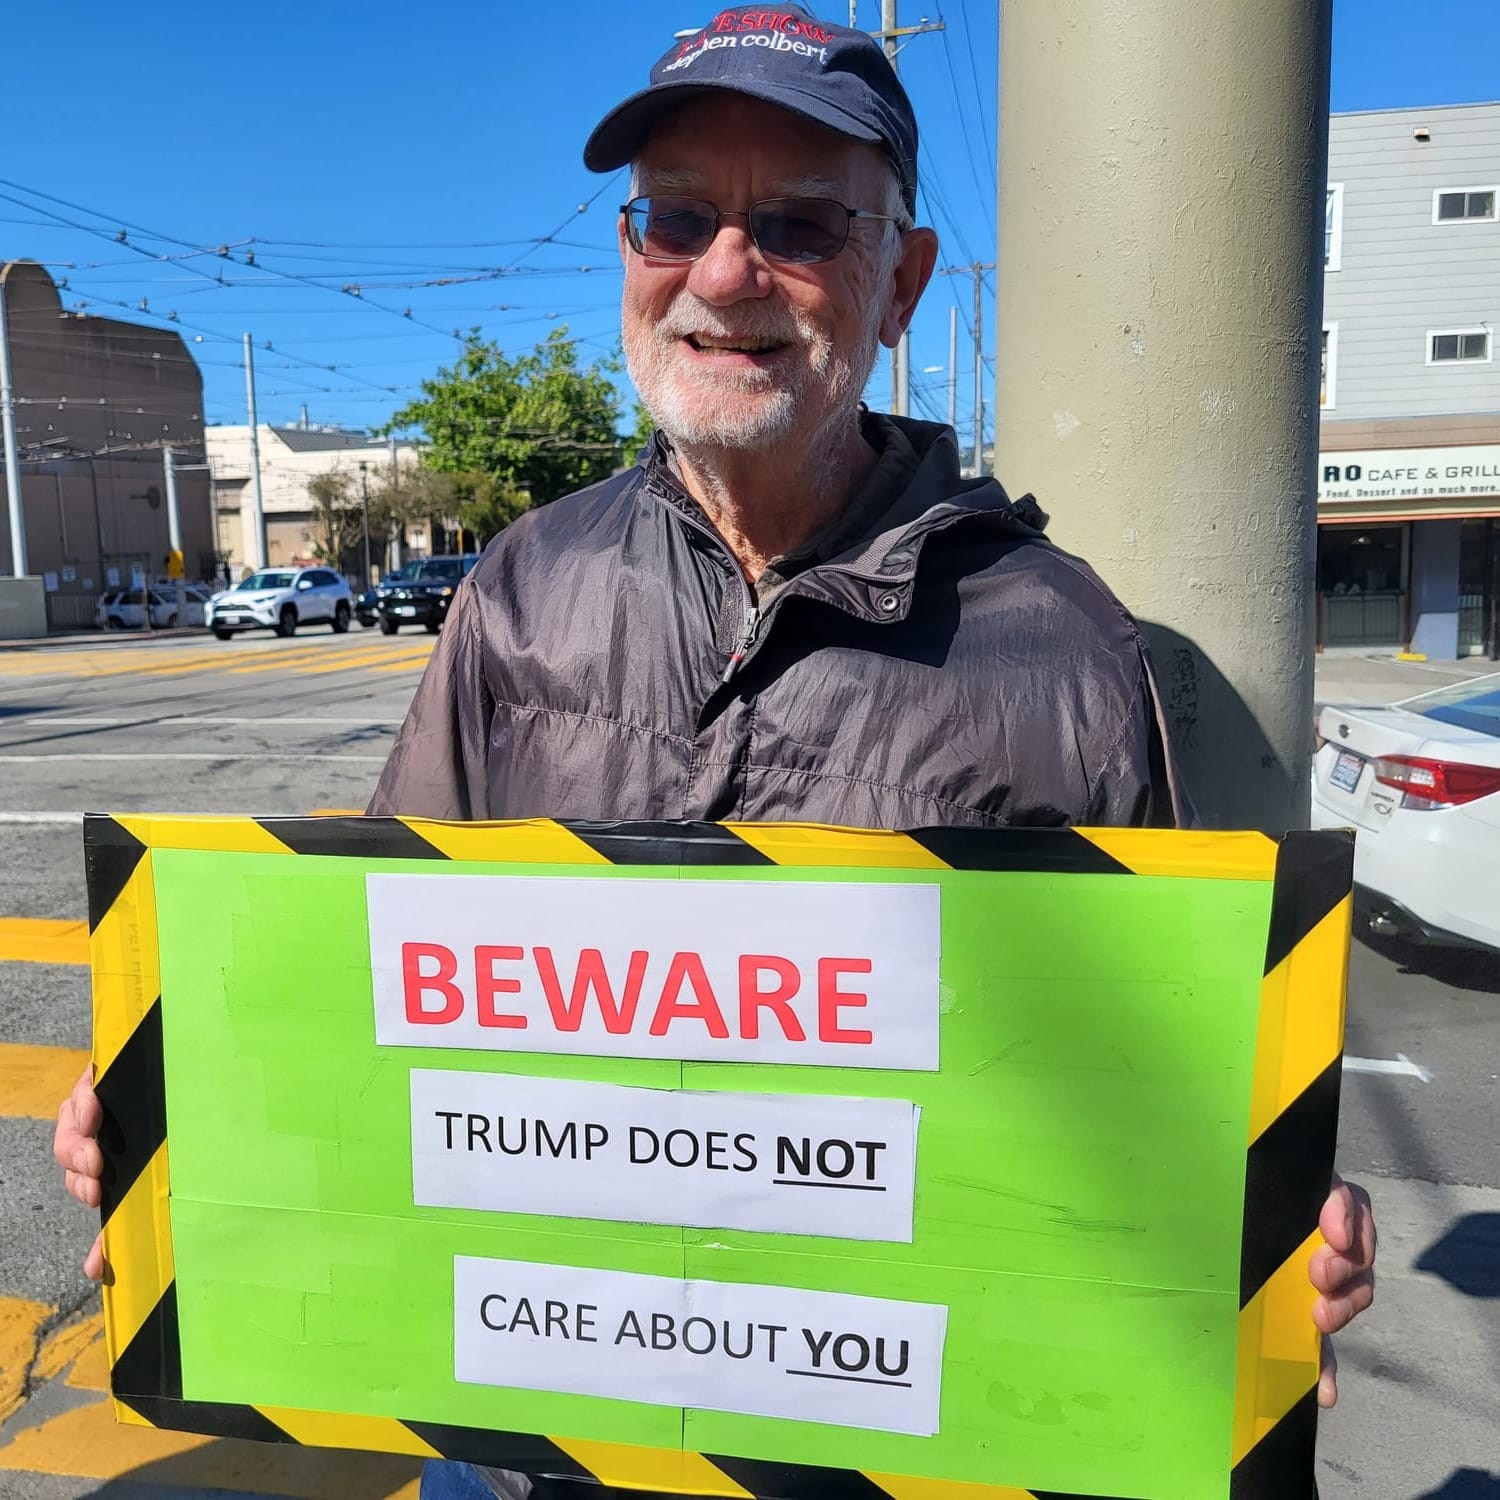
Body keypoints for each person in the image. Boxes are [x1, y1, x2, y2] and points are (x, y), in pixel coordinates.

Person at [54, 8, 1375, 1499]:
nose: (725, 273)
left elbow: (1150, 1107)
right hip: (528, 1445)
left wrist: (1255, 1244)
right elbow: (363, 1002)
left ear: (902, 285)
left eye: (801, 226)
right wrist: (186, 1124)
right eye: (676, 217)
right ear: (630, 255)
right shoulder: (520, 588)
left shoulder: (1060, 644)